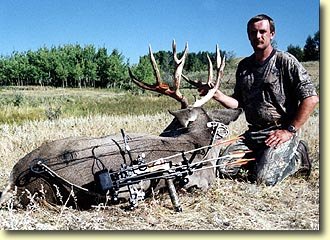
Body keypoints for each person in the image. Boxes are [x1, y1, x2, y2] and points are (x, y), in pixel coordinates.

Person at [202, 14, 319, 185]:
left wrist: (289, 131)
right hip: (254, 135)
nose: (258, 36)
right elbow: (238, 103)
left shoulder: (285, 61)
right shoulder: (244, 66)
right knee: (223, 167)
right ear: (248, 35)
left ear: (272, 34)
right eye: (253, 32)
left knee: (264, 179)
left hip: (279, 133)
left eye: (262, 31)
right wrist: (216, 94)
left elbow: (311, 98)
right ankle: (264, 158)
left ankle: (297, 156)